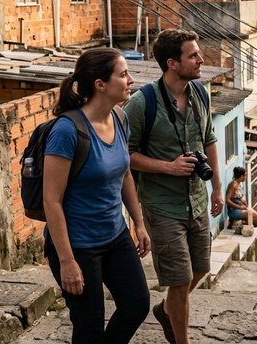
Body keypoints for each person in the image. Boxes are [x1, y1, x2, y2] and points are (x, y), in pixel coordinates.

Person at [43, 47, 150, 343]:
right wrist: (67, 261)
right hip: (78, 245)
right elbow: (51, 200)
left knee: (136, 304)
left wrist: (138, 223)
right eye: (123, 74)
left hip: (114, 236)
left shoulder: (120, 118)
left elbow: (125, 172)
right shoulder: (67, 131)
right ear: (100, 84)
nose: (130, 80)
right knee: (89, 326)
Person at [124, 29, 223, 343]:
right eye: (193, 55)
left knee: (200, 269)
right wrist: (168, 167)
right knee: (179, 282)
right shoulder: (142, 103)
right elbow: (125, 156)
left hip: (196, 199)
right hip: (162, 204)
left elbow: (208, 140)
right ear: (172, 63)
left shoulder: (200, 93)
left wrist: (218, 188)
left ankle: (167, 310)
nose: (200, 60)